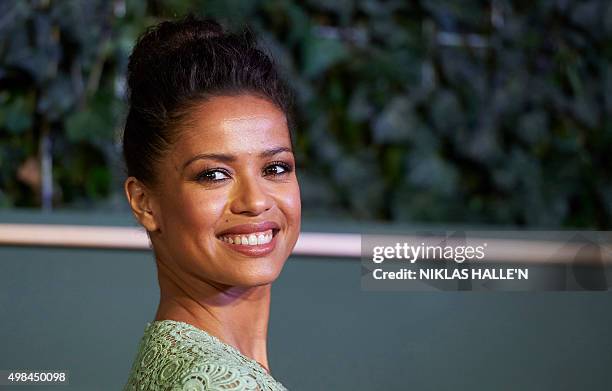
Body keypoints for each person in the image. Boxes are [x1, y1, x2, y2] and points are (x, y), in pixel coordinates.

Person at [121, 15, 301, 390]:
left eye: (275, 167)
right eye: (214, 174)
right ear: (144, 202)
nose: (255, 201)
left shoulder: (172, 359)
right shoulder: (223, 383)